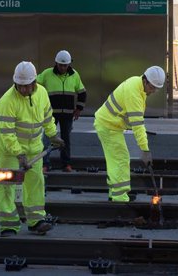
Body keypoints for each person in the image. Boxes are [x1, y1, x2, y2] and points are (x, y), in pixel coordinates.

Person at [0, 61, 65, 236]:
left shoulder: (42, 94)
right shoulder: (7, 101)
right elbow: (8, 134)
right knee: (6, 186)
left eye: (27, 86)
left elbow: (48, 117)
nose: (23, 90)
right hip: (9, 150)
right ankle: (8, 225)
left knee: (35, 184)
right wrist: (19, 154)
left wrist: (53, 135)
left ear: (35, 82)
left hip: (34, 149)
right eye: (20, 86)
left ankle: (36, 221)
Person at [94, 66, 166, 202]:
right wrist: (145, 150)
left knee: (116, 160)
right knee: (120, 160)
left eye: (156, 89)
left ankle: (115, 193)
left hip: (110, 124)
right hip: (108, 125)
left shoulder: (137, 85)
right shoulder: (134, 93)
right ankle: (119, 198)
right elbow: (138, 125)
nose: (154, 91)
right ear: (145, 80)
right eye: (152, 87)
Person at [37, 50, 87, 172]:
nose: (63, 68)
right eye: (61, 65)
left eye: (65, 65)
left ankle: (66, 164)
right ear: (56, 63)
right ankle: (45, 163)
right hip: (51, 114)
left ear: (69, 64)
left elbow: (82, 93)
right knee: (48, 138)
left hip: (68, 115)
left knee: (66, 140)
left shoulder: (74, 75)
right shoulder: (47, 74)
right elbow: (35, 85)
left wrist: (79, 109)